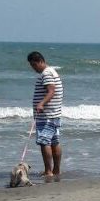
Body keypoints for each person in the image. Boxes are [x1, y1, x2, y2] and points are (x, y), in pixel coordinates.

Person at [28, 51, 63, 181]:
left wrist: (41, 103)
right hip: (55, 113)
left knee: (45, 142)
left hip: (47, 115)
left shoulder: (46, 73)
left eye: (33, 65)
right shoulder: (53, 71)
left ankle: (48, 171)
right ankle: (56, 169)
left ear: (40, 62)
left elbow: (51, 90)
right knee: (54, 141)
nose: (33, 68)